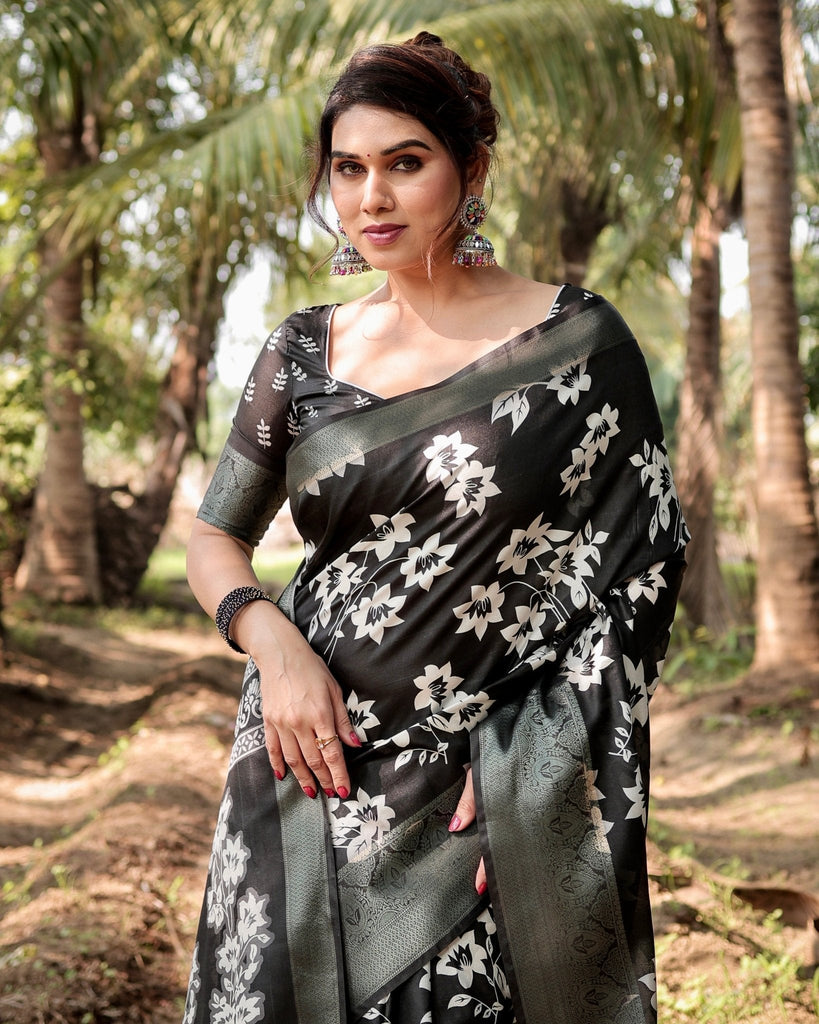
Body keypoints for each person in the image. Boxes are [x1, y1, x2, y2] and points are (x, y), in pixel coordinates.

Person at [182, 31, 688, 1024]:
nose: (371, 197)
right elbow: (213, 536)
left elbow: (645, 567)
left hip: (479, 779)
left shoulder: (578, 346)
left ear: (471, 168)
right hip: (304, 760)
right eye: (348, 169)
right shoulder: (302, 352)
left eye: (405, 163)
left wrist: (536, 766)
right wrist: (272, 642)